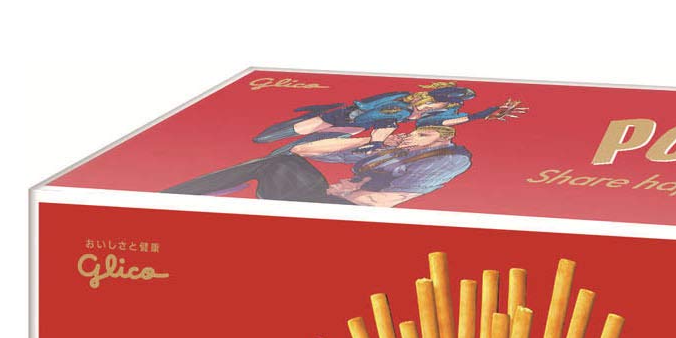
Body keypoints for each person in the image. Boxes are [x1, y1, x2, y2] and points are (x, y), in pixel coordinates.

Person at [163, 126, 472, 208]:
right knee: (282, 162)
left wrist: (350, 190)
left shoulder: (451, 158)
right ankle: (172, 199)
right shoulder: (388, 150)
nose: (413, 136)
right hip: (328, 197)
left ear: (444, 140)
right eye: (414, 132)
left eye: (424, 134)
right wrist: (369, 140)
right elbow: (302, 149)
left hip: (352, 210)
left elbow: (386, 198)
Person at [252, 83, 525, 144]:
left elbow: (443, 120)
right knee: (298, 129)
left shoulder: (445, 112)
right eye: (431, 100)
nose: (429, 105)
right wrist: (337, 117)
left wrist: (479, 116)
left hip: (364, 128)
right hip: (344, 116)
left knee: (310, 142)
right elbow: (362, 104)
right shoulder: (402, 97)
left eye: (437, 104)